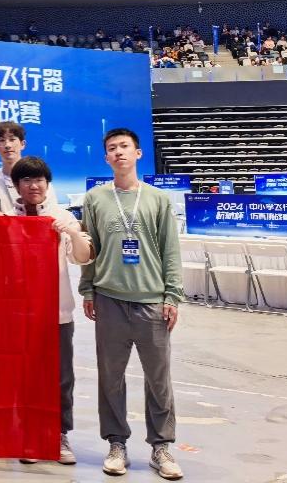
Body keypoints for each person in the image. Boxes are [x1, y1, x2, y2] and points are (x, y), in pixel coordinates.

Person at [79, 128, 184, 480]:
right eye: (112, 148)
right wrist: (88, 289)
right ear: (106, 157)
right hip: (109, 300)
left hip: (151, 302)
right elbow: (89, 249)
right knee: (111, 378)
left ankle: (161, 446)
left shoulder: (158, 199)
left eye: (124, 146)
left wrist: (172, 295)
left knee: (158, 379)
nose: (118, 152)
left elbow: (170, 250)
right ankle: (116, 443)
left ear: (138, 153)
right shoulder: (95, 198)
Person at [0, 156, 92, 467]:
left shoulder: (62, 217)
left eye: (38, 180)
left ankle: (59, 434)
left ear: (47, 184)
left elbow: (83, 257)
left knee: (61, 378)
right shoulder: (7, 218)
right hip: (19, 316)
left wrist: (72, 233)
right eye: (26, 180)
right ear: (17, 186)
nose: (33, 185)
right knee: (24, 378)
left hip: (56, 314)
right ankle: (29, 435)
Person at [0, 122, 57, 215]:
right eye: (2, 140)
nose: (7, 145)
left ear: (22, 144)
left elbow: (53, 213)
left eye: (12, 139)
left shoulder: (40, 181)